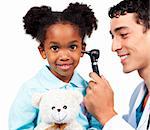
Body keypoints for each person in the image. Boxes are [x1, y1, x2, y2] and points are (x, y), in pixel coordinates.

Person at [8, 2, 103, 130]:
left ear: (82, 49)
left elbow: (98, 125)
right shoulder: (31, 89)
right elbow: (19, 127)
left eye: (72, 47)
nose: (64, 56)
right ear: (43, 51)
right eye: (55, 48)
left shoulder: (87, 89)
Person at [84, 0, 150, 130]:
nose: (114, 47)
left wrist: (107, 115)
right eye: (113, 37)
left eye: (124, 35)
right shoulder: (139, 95)